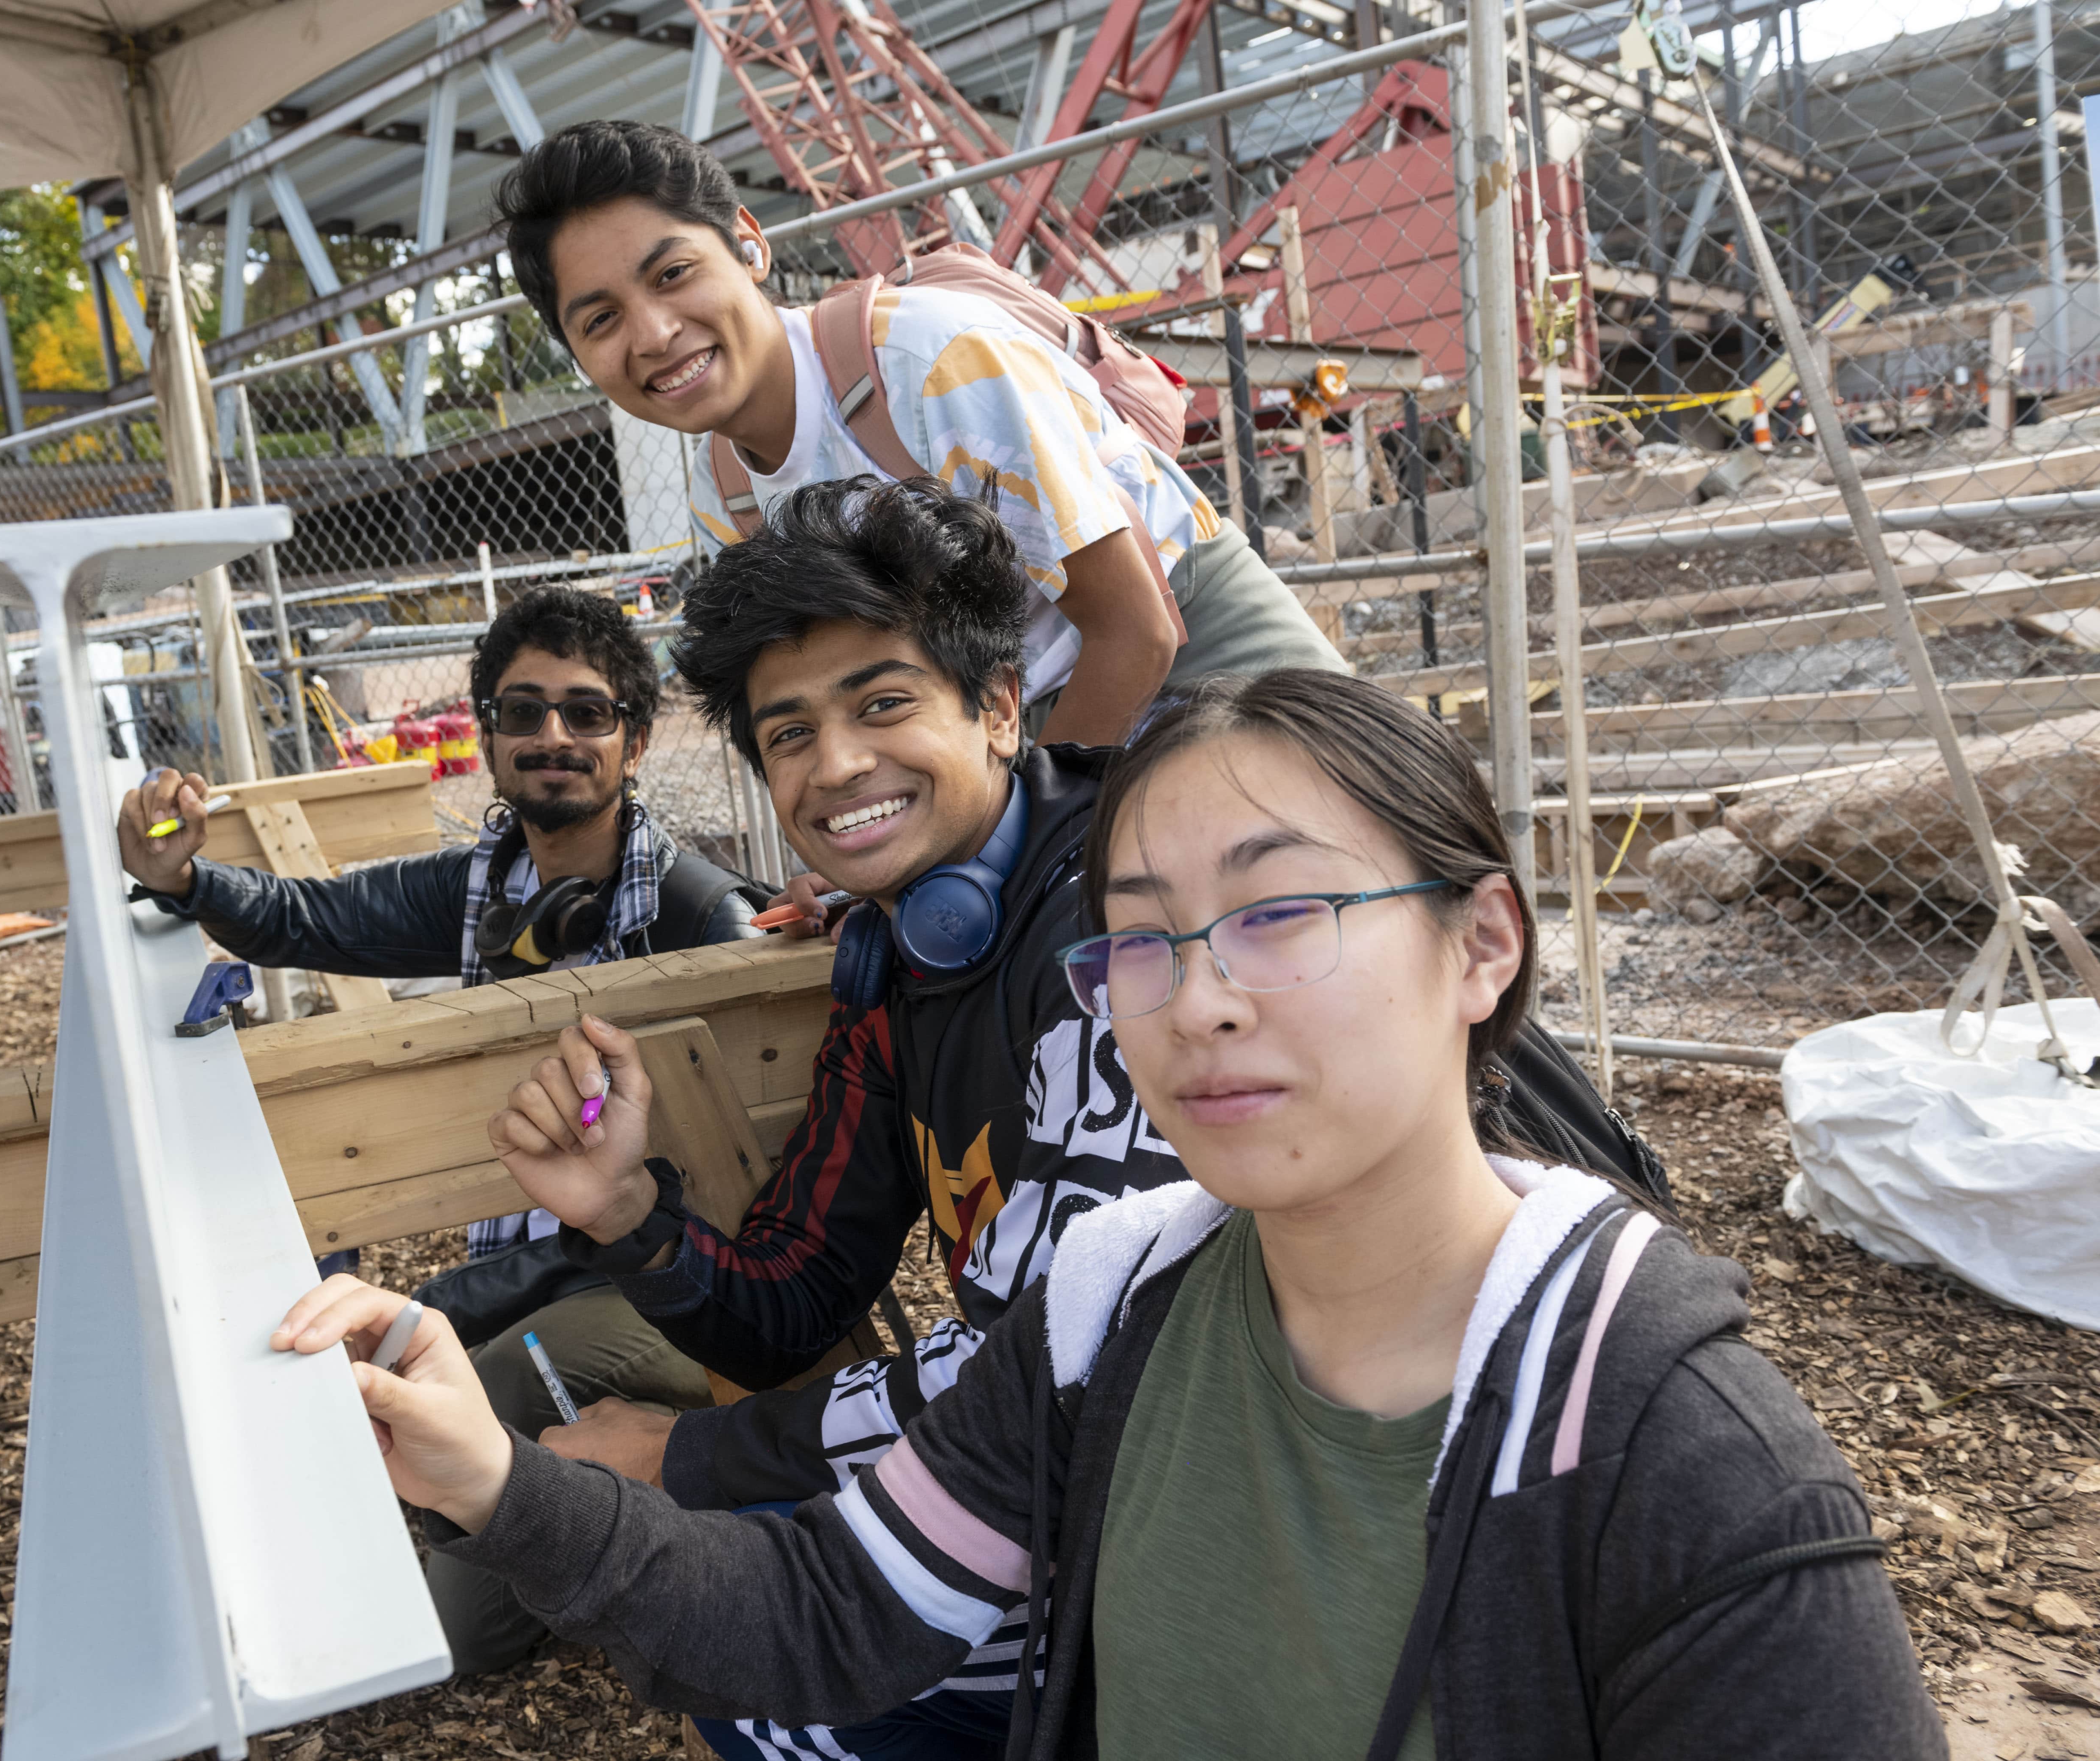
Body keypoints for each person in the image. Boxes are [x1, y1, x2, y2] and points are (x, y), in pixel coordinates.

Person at [274, 665, 1944, 1761]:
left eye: (1282, 912)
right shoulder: (1119, 1303)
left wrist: (669, 1438)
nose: (1196, 1001)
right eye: (1141, 937)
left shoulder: (1672, 1447)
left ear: (1484, 946)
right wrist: (493, 1480)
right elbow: (832, 1617)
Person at [113, 583, 769, 1675]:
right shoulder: (484, 887)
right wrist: (180, 875)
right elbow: (305, 918)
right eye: (523, 713)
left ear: (636, 740)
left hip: (670, 1298)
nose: (553, 737)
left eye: (587, 713)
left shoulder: (700, 916)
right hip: (538, 1291)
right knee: (414, 1419)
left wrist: (438, 1313)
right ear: (490, 737)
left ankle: (602, 1506)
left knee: (449, 1607)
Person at [495, 119, 1346, 750]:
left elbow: (1136, 629)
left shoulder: (927, 359)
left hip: (1195, 644)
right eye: (601, 320)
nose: (651, 334)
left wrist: (1018, 849)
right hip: (1014, 713)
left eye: (674, 275)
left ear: (749, 247)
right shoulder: (728, 495)